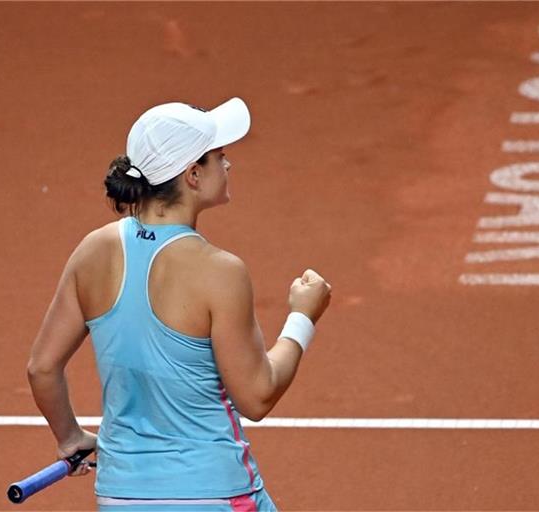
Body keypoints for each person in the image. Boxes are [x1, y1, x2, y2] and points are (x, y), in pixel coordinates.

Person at [26, 97, 333, 511]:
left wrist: (69, 436)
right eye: (219, 157)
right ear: (192, 175)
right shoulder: (220, 271)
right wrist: (302, 316)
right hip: (217, 494)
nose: (228, 165)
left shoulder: (92, 251)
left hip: (120, 497)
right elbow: (258, 396)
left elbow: (42, 368)